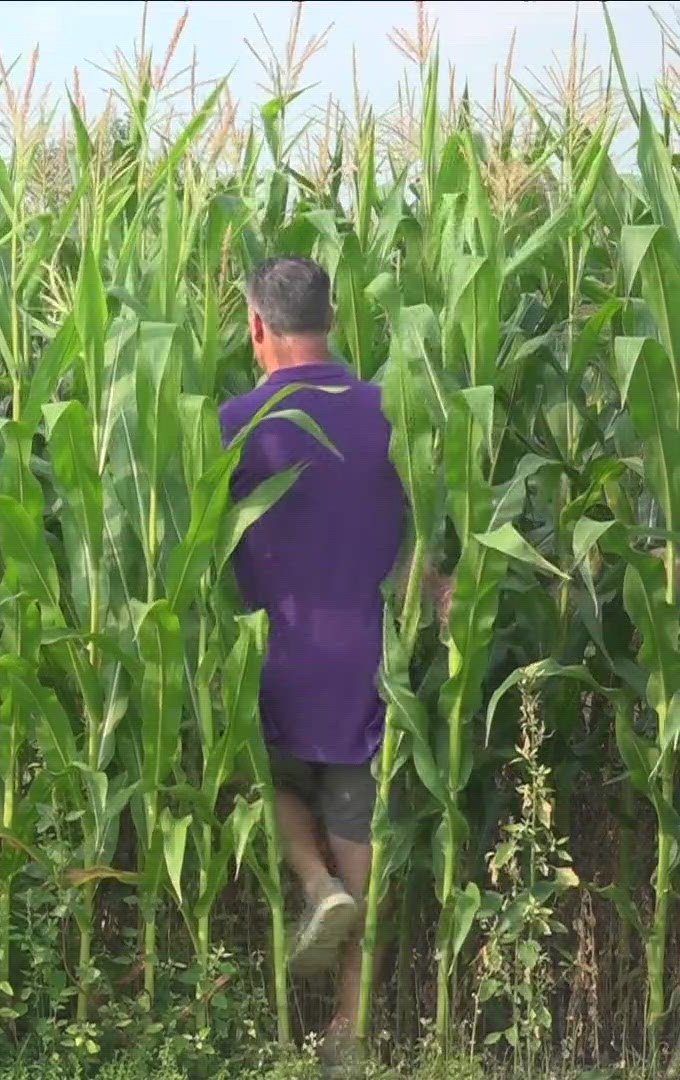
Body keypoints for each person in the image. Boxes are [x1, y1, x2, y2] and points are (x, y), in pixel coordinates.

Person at [219, 256, 409, 1048]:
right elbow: (430, 533)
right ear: (333, 318)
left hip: (270, 665)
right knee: (357, 816)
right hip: (370, 663)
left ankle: (312, 879)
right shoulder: (393, 411)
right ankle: (349, 1025)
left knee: (265, 785)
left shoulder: (234, 423)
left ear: (259, 327)